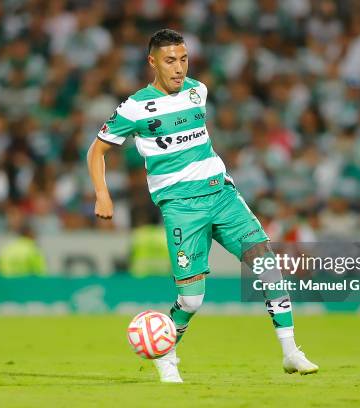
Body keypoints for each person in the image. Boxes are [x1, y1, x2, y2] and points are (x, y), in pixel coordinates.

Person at [87, 29, 318, 383]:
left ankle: (291, 353)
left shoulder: (198, 91)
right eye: (169, 61)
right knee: (192, 301)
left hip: (222, 196)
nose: (179, 68)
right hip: (182, 207)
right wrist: (102, 193)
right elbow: (97, 149)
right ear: (152, 62)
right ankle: (166, 357)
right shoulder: (134, 108)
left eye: (183, 59)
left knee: (269, 267)